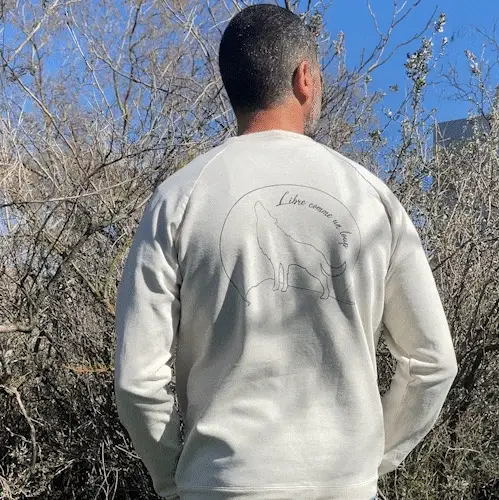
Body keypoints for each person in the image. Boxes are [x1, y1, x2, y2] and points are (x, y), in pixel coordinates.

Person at [114, 4, 457, 500]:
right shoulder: (372, 198)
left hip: (220, 485)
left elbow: (136, 380)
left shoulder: (179, 199)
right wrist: (368, 463)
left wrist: (176, 477)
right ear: (304, 78)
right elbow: (432, 363)